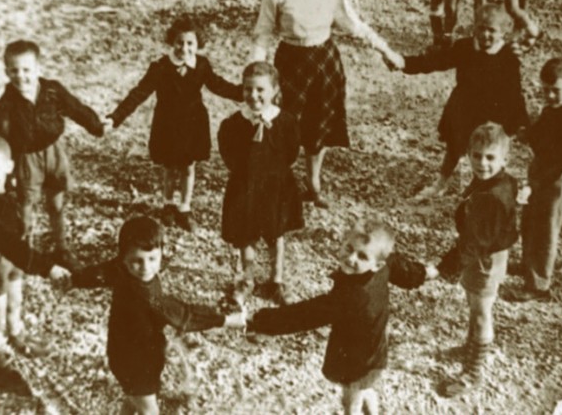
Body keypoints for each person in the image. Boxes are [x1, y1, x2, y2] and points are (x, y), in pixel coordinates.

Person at [250, 0, 403, 208]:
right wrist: (255, 75)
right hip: (291, 63)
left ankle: (313, 185)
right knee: (281, 126)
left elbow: (352, 23)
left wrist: (385, 50)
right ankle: (276, 184)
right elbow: (263, 34)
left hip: (325, 63)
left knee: (318, 126)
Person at [248, 219, 437, 415]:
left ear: (376, 264)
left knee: (350, 402)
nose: (351, 258)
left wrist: (263, 321)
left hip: (357, 362)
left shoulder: (352, 295)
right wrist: (425, 273)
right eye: (349, 248)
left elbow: (308, 314)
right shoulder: (383, 263)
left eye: (362, 256)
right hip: (375, 351)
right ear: (344, 241)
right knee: (365, 389)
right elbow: (403, 268)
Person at [64, 216, 246, 415]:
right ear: (123, 258)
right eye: (137, 261)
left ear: (161, 254)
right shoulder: (147, 296)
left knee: (134, 400)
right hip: (134, 361)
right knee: (149, 410)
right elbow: (185, 314)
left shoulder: (122, 268)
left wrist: (75, 280)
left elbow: (101, 272)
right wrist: (227, 320)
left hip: (133, 352)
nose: (146, 268)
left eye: (152, 259)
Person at [106, 15, 243, 232]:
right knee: (169, 168)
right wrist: (116, 116)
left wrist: (244, 93)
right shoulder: (160, 67)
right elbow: (139, 93)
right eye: (180, 42)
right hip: (167, 125)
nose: (184, 48)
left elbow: (218, 85)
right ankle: (168, 205)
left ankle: (184, 208)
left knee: (189, 167)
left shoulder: (201, 65)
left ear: (198, 44)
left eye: (190, 43)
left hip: (192, 124)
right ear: (172, 42)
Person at [0, 134, 71, 387]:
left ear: (8, 167)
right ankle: (2, 367)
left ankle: (17, 336)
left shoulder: (8, 189)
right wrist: (48, 267)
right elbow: (7, 243)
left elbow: (16, 235)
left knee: (16, 301)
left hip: (12, 258)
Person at [0, 40, 105, 268]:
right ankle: (25, 251)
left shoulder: (52, 90)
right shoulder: (6, 105)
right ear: (6, 72)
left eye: (26, 70)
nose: (21, 76)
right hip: (26, 158)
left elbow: (75, 108)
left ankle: (61, 248)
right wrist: (2, 170)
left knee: (56, 201)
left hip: (54, 153)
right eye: (14, 70)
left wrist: (95, 125)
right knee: (26, 203)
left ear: (38, 69)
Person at [396, 4, 529, 199]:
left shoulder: (508, 58)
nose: (485, 34)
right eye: (481, 28)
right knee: (454, 147)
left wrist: (520, 122)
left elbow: (515, 93)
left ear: (503, 32)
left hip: (492, 114)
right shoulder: (465, 47)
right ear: (474, 27)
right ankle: (441, 183)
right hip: (464, 108)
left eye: (491, 30)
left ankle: (488, 188)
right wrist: (404, 62)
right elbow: (436, 61)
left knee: (489, 151)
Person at [434, 122, 518, 396]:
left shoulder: (491, 196)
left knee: (481, 312)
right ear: (468, 154)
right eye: (477, 155)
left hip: (485, 259)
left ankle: (473, 372)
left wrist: (445, 267)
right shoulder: (497, 180)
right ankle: (473, 347)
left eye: (491, 157)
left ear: (505, 159)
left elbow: (474, 243)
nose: (482, 163)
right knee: (474, 304)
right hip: (486, 253)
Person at [218, 62, 304, 306]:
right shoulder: (234, 123)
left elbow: (291, 152)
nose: (253, 96)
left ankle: (276, 280)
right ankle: (246, 279)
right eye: (248, 89)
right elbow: (228, 152)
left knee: (275, 233)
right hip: (245, 185)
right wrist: (245, 174)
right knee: (246, 234)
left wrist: (273, 172)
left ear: (275, 91)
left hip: (276, 187)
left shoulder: (285, 122)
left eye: (260, 90)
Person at [505, 59, 562, 302]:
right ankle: (529, 264)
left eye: (556, 90)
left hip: (556, 180)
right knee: (530, 222)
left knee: (545, 231)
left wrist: (534, 185)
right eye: (545, 89)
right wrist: (526, 133)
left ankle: (539, 285)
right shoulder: (552, 110)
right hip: (541, 173)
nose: (550, 95)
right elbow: (540, 134)